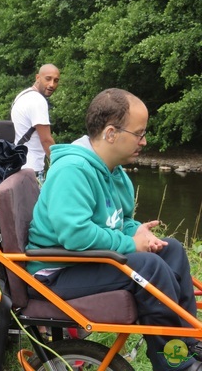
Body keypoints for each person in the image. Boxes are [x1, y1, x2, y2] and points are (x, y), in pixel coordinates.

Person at [26, 88, 202, 370]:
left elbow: (120, 222)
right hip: (54, 272)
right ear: (111, 133)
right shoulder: (72, 170)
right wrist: (133, 245)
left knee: (172, 250)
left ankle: (189, 342)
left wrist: (141, 233)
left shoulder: (114, 170)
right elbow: (76, 235)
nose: (144, 141)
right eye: (139, 133)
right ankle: (176, 364)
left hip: (85, 261)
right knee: (149, 267)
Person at [10, 64, 60, 181]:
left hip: (19, 166)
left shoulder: (23, 95)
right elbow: (46, 140)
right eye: (48, 79)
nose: (52, 84)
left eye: (56, 80)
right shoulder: (37, 101)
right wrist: (60, 163)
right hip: (32, 172)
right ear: (38, 77)